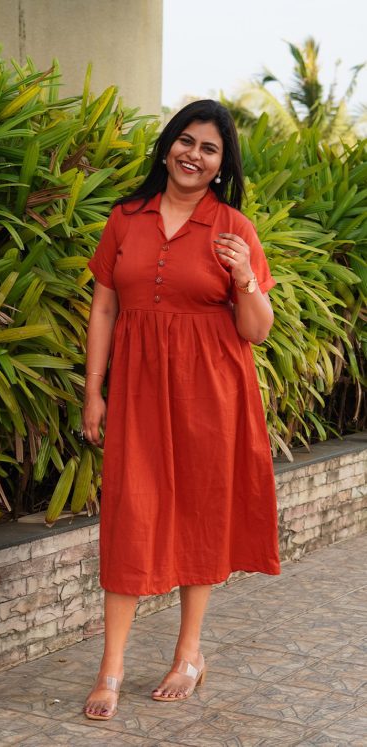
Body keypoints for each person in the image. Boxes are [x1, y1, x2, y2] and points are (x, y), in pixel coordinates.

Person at [82, 99, 280, 720]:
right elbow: (105, 310)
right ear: (168, 146)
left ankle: (188, 654)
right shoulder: (125, 218)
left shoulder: (232, 227)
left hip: (213, 392)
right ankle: (111, 666)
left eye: (210, 148)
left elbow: (257, 331)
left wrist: (246, 274)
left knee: (200, 513)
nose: (195, 154)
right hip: (139, 390)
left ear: (222, 164)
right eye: (186, 141)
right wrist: (94, 390)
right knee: (129, 513)